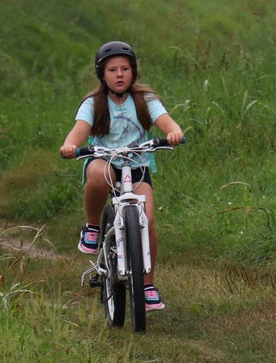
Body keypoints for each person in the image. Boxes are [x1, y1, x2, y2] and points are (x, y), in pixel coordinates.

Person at [59, 41, 184, 311]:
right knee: (99, 172)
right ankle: (93, 226)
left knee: (148, 219)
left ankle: (147, 285)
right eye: (112, 70)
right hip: (103, 160)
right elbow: (79, 132)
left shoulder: (145, 100)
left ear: (133, 71)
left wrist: (174, 132)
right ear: (102, 75)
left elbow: (167, 122)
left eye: (125, 69)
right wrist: (70, 146)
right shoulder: (93, 104)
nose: (119, 74)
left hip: (136, 165)